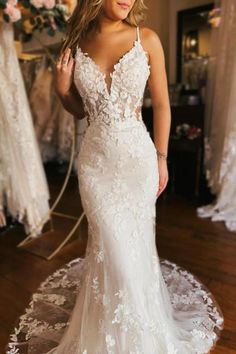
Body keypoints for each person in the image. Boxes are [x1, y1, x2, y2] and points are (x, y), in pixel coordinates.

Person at [7, 1, 223, 353]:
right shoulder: (74, 44)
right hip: (95, 165)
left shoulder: (146, 38)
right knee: (110, 250)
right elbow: (80, 110)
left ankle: (140, 336)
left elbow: (163, 105)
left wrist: (162, 158)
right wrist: (63, 89)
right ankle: (106, 336)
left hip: (137, 160)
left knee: (134, 249)